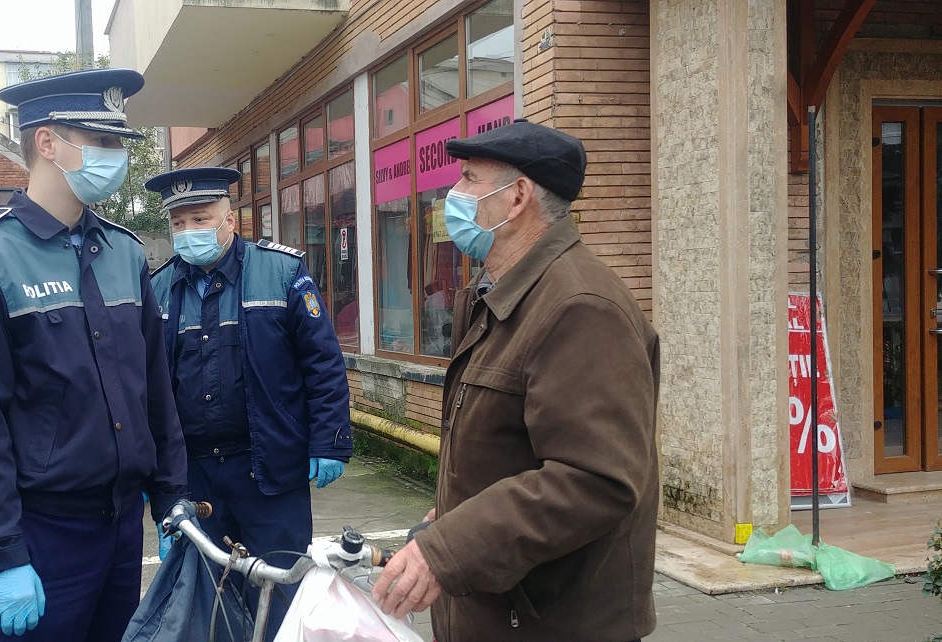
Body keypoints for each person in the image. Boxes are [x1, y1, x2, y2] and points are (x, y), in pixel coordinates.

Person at [370, 119, 660, 642]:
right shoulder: (502, 293)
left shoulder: (579, 307)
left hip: (551, 622)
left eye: (469, 178)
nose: (453, 194)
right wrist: (453, 517)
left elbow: (596, 479)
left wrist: (449, 548)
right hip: (497, 610)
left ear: (518, 196)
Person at [0, 68, 188, 641]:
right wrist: (2, 553)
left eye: (118, 142)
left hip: (123, 527)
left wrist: (172, 495)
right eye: (101, 141)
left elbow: (155, 387)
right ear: (47, 142)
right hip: (45, 533)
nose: (117, 157)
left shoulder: (124, 252)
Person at [145, 167, 353, 640]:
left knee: (280, 594)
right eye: (178, 223)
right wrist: (149, 473)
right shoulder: (157, 290)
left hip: (269, 469)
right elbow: (146, 388)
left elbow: (322, 363)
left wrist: (330, 439)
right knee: (206, 599)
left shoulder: (281, 272)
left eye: (200, 219)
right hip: (195, 477)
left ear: (230, 219)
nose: (189, 231)